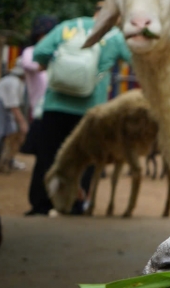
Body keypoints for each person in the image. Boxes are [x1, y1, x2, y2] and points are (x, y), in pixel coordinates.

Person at [27, 14, 131, 215]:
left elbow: (40, 51)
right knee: (85, 159)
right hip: (91, 112)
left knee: (48, 157)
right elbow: (133, 58)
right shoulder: (115, 35)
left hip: (55, 105)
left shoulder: (67, 27)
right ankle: (75, 204)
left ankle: (41, 205)